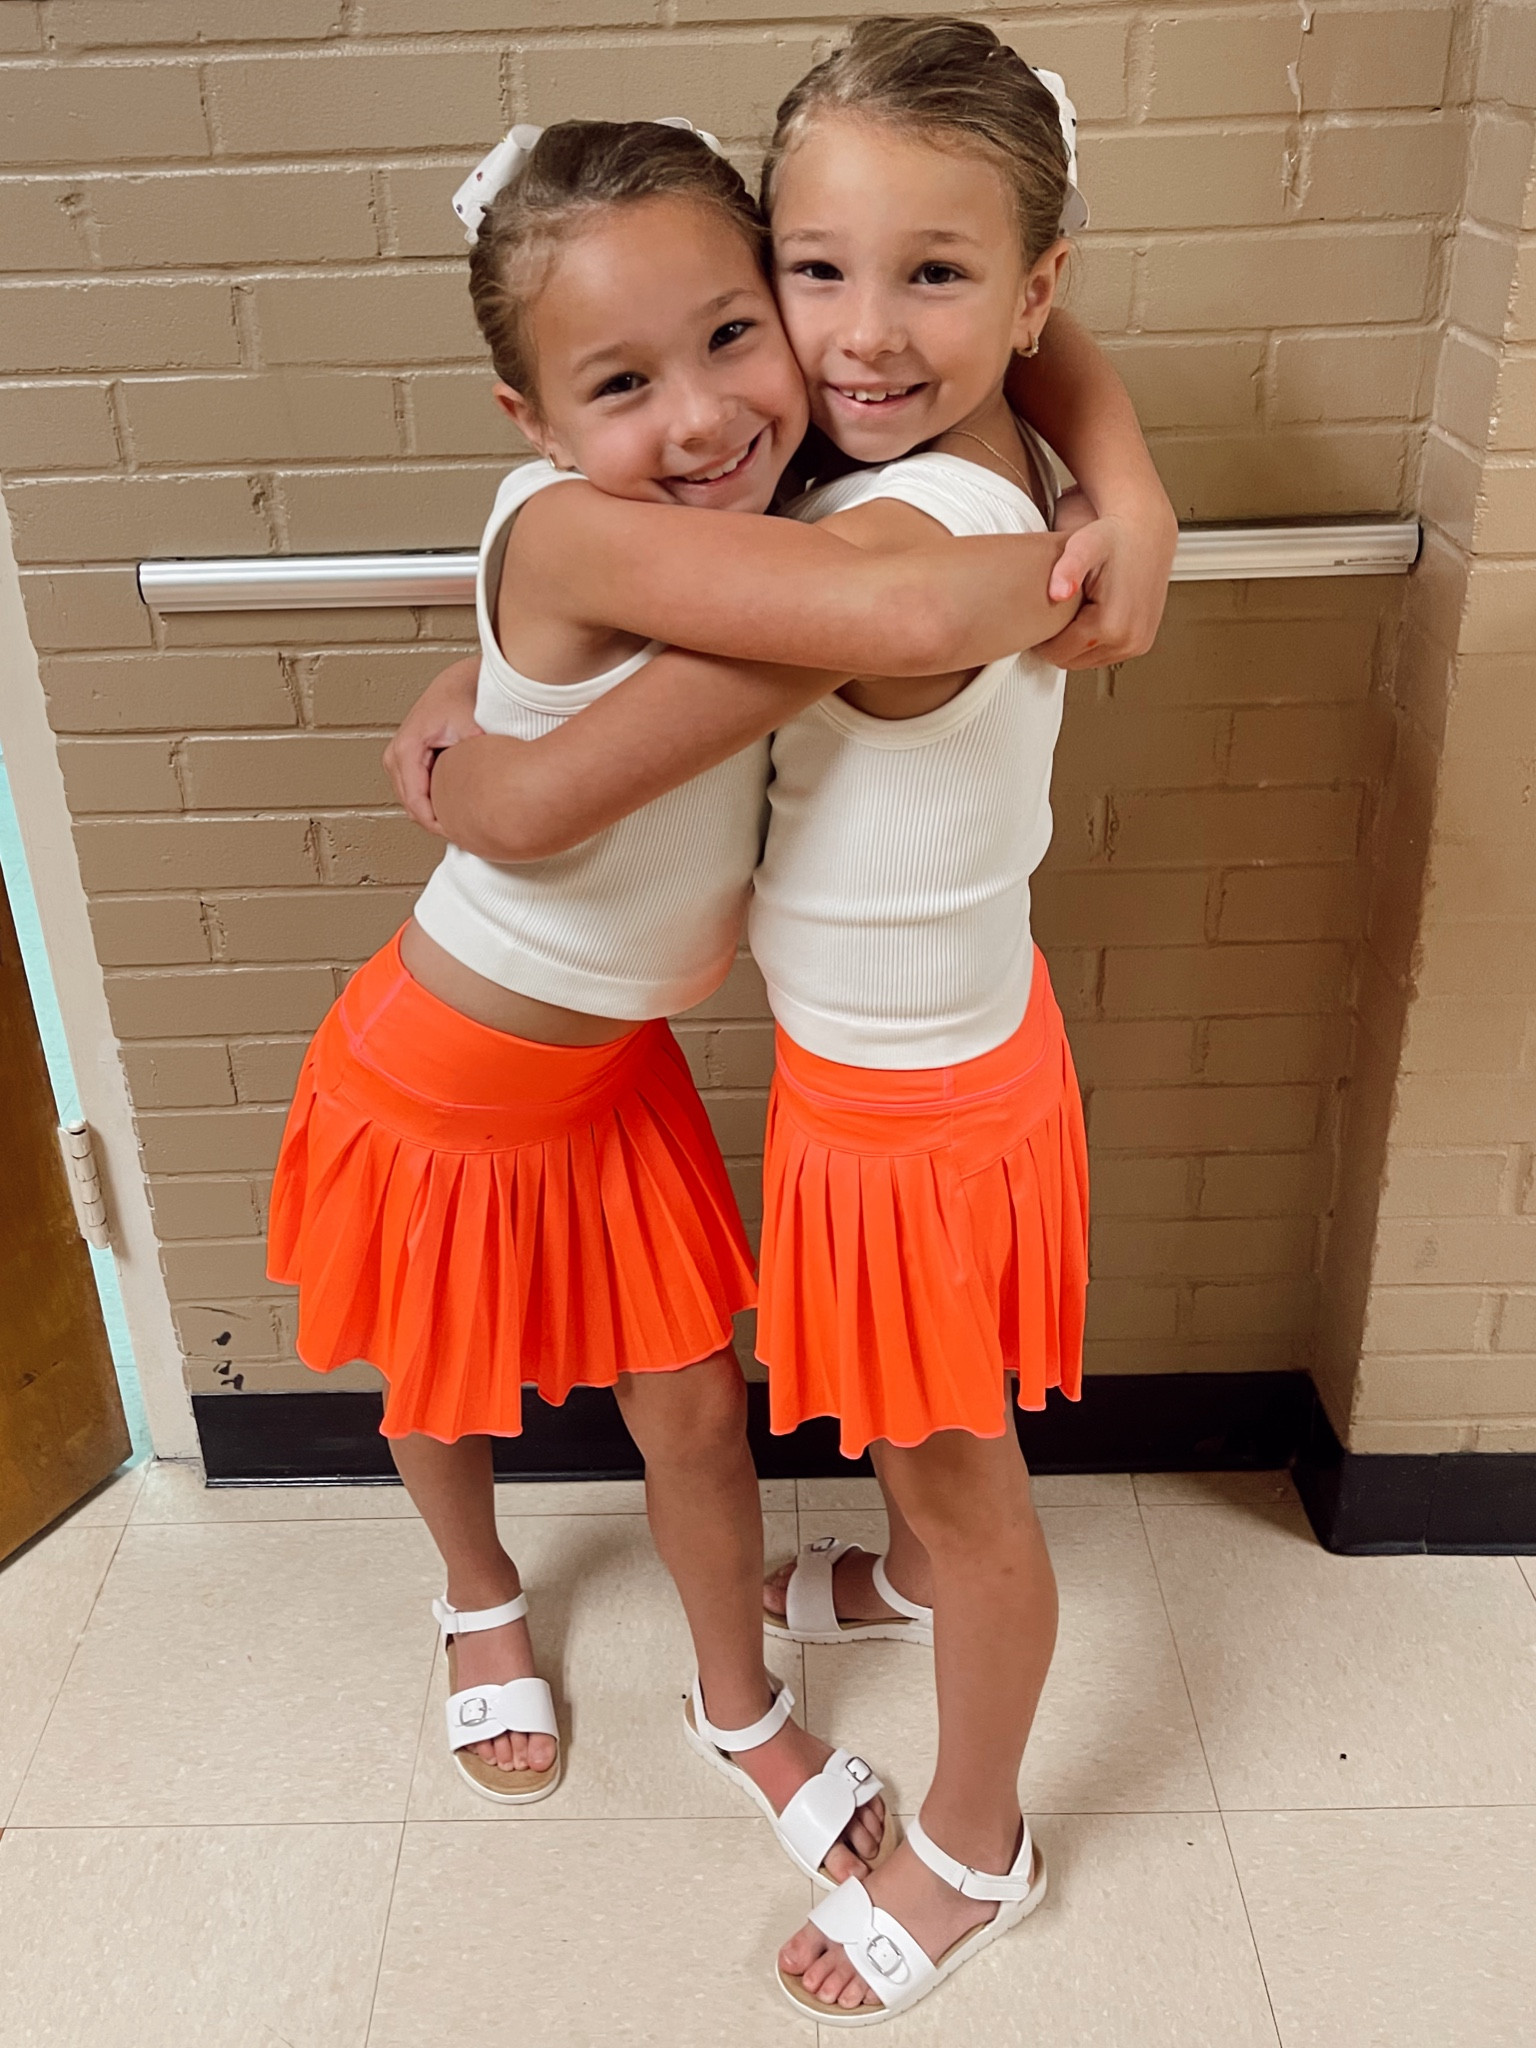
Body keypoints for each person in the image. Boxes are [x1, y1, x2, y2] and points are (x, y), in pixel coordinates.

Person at [387, 20, 1176, 2023]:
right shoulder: (883, 459)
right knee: (916, 1440)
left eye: (936, 275)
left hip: (917, 1107)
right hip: (903, 1068)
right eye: (817, 271)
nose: (865, 335)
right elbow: (1008, 366)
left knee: (961, 1482)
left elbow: (561, 786)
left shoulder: (897, 536)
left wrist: (481, 770)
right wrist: (1123, 474)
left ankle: (976, 1844)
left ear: (1032, 284)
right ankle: (900, 1582)